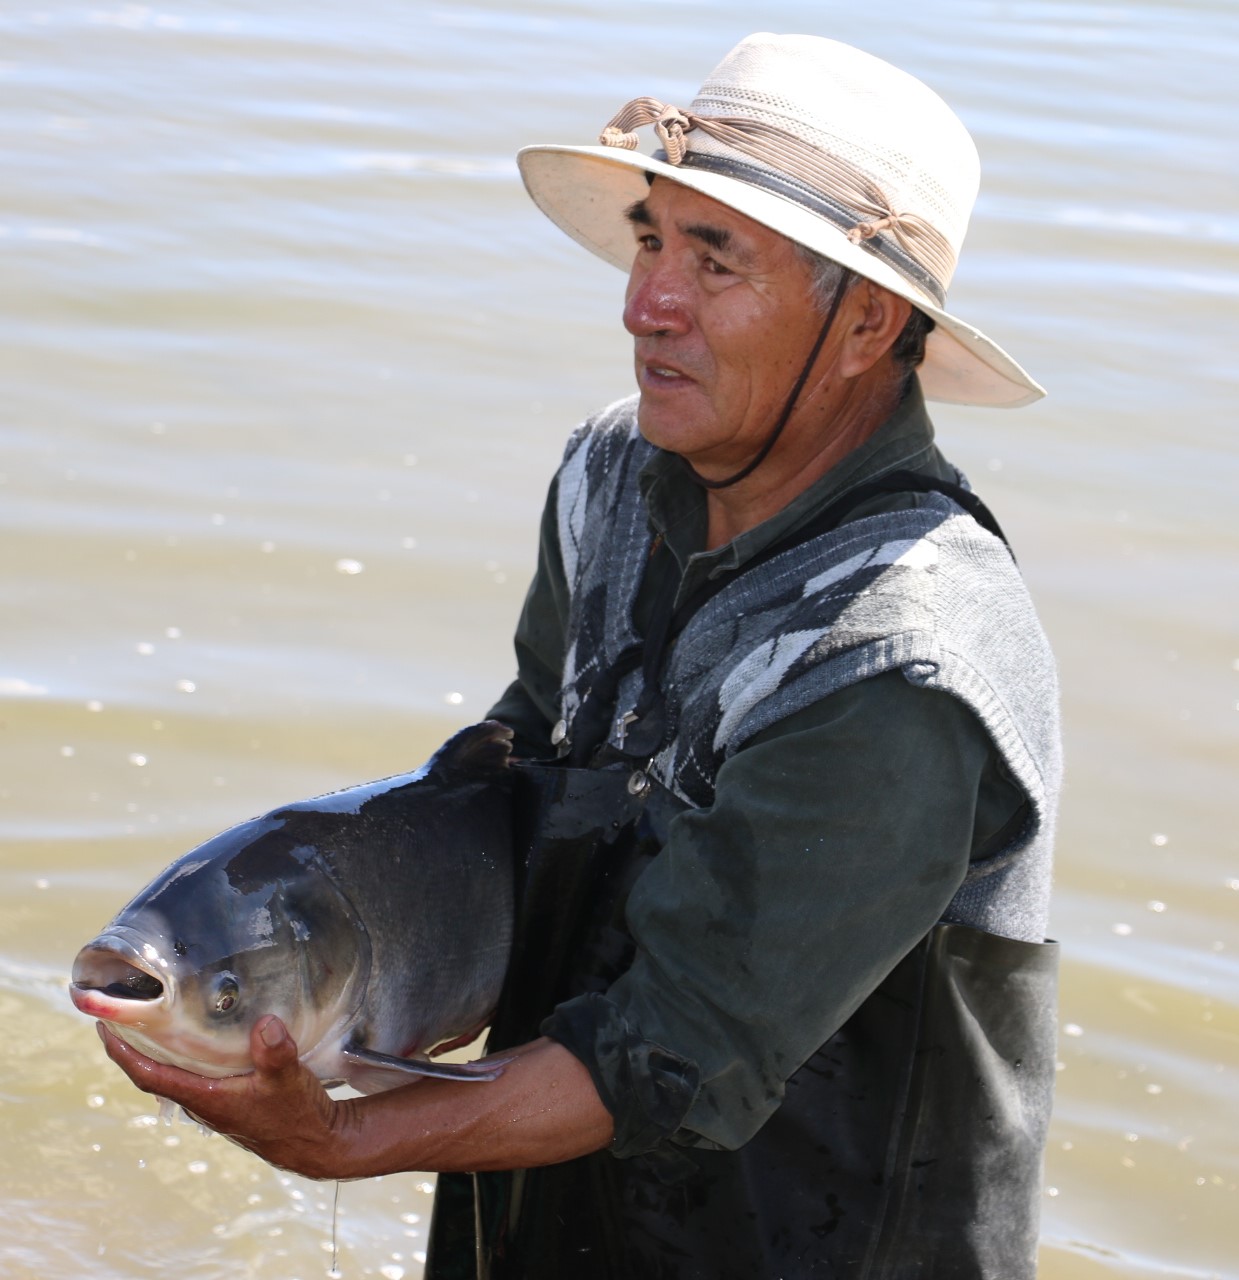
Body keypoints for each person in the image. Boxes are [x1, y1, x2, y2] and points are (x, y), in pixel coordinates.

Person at [101, 33, 1062, 1279]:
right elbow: (520, 780)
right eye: (656, 237)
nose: (645, 300)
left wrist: (339, 1138)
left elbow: (675, 1048)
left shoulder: (903, 657)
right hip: (545, 1217)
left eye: (716, 260)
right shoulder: (611, 475)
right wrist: (318, 948)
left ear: (869, 319)